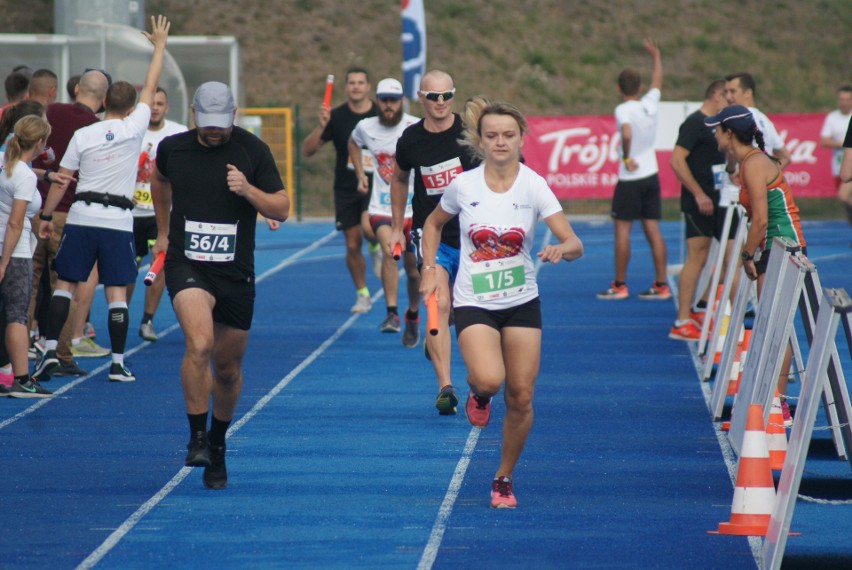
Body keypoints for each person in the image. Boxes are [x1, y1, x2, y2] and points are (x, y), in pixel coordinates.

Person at [420, 99, 583, 508]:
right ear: (480, 140)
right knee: (490, 380)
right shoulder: (463, 185)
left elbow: (574, 241)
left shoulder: (534, 184)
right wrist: (428, 266)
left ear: (521, 138)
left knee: (522, 395)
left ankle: (503, 477)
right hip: (474, 299)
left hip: (522, 299)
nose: (500, 142)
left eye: (508, 135)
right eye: (492, 135)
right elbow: (432, 223)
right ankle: (479, 394)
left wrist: (562, 249)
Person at [150, 81, 289, 490]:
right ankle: (195, 437)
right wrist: (162, 231)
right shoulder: (173, 148)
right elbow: (159, 182)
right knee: (199, 343)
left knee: (227, 369)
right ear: (194, 115)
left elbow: (282, 205)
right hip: (187, 263)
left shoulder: (251, 150)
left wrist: (248, 190)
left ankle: (218, 442)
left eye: (221, 124)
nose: (213, 131)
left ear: (233, 116)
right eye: (206, 123)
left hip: (235, 273)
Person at [32, 15, 171, 384]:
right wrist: (158, 47)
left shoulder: (85, 133)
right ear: (131, 107)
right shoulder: (134, 126)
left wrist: (46, 215)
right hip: (116, 220)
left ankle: (48, 352)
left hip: (80, 214)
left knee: (64, 285)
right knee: (116, 294)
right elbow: (152, 85)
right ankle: (117, 362)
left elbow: (62, 180)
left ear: (105, 101)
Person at [707, 104, 805, 426]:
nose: (714, 134)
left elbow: (760, 220)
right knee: (768, 325)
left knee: (775, 327)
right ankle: (770, 407)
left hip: (782, 245)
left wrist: (747, 256)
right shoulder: (749, 163)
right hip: (775, 245)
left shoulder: (753, 164)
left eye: (717, 128)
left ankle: (779, 410)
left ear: (729, 133)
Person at [388, 70, 480, 415]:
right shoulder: (410, 140)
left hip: (473, 236)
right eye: (433, 97)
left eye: (447, 96)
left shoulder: (470, 133)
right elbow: (399, 179)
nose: (440, 103)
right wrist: (398, 227)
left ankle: (435, 334)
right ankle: (445, 387)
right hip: (433, 234)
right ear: (421, 98)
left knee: (461, 312)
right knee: (436, 303)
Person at [29, 68, 114, 378]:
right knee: (63, 287)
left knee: (27, 283)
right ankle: (61, 353)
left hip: (29, 206)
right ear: (103, 99)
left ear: (76, 89)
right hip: (68, 213)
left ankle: (19, 350)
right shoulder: (98, 129)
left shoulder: (50, 111)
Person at [302, 67, 380, 313]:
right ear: (346, 87)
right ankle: (362, 294)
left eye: (361, 82)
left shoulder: (382, 114)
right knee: (352, 244)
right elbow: (308, 150)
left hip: (376, 184)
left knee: (369, 229)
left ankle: (376, 244)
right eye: (352, 83)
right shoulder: (335, 116)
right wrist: (320, 126)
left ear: (368, 87)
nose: (356, 86)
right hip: (345, 187)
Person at [348, 78, 421, 344]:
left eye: (394, 100)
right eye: (384, 100)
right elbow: (353, 143)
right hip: (381, 207)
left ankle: (412, 314)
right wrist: (360, 175)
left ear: (402, 101)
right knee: (391, 252)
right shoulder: (365, 127)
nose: (389, 106)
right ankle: (392, 313)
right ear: (377, 101)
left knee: (414, 271)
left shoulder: (415, 126)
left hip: (414, 209)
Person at [597, 39, 670, 301]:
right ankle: (661, 284)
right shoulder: (649, 103)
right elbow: (658, 82)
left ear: (619, 88)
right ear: (640, 87)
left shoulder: (622, 109)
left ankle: (619, 285)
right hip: (651, 174)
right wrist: (656, 56)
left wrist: (626, 157)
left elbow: (626, 132)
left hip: (630, 177)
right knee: (652, 229)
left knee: (622, 231)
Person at [668, 79, 729, 340]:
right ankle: (681, 320)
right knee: (697, 257)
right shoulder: (695, 123)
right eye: (727, 96)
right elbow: (676, 160)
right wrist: (699, 193)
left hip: (721, 198)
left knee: (729, 255)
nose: (730, 101)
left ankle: (701, 304)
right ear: (716, 95)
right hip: (699, 201)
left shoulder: (720, 125)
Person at [127, 87, 188, 342]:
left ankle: (147, 320)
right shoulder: (132, 132)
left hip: (160, 215)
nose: (155, 108)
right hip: (131, 214)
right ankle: (120, 315)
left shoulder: (178, 133)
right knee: (128, 269)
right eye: (151, 104)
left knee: (158, 267)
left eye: (160, 104)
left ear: (167, 107)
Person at [0, 115, 54, 398]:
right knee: (17, 315)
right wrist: (5, 262)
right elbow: (14, 222)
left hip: (7, 244)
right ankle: (22, 379)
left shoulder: (5, 163)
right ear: (39, 143)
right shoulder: (22, 174)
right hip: (13, 251)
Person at [723, 72, 790, 169]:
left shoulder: (739, 116)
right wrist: (767, 176)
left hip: (741, 183)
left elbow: (732, 149)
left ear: (748, 93)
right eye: (726, 92)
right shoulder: (765, 120)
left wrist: (730, 170)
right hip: (759, 183)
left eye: (733, 91)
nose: (728, 97)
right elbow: (785, 157)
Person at [819, 85, 852, 223]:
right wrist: (844, 144)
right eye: (841, 99)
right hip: (839, 164)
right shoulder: (832, 117)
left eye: (847, 99)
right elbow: (824, 141)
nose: (844, 102)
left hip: (848, 166)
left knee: (843, 195)